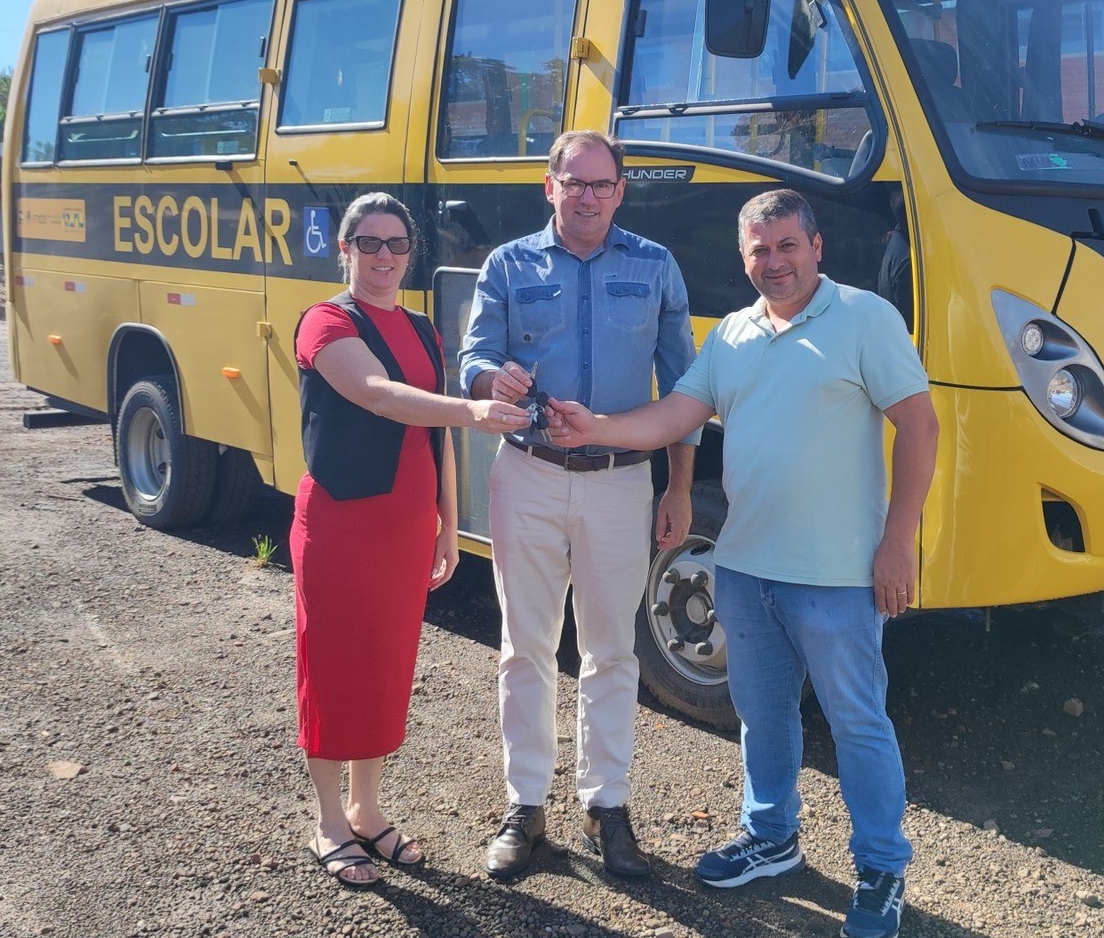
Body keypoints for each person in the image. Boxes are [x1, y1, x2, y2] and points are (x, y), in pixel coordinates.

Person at [547, 188, 938, 938]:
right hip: (746, 568)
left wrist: (898, 542)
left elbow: (919, 428)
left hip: (838, 577)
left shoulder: (864, 318)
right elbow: (678, 416)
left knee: (859, 724)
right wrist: (596, 428)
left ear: (816, 247)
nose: (774, 262)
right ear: (744, 257)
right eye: (759, 250)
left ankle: (882, 867)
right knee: (763, 720)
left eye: (788, 246)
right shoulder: (731, 332)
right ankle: (772, 839)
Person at [459, 130, 699, 880]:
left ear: (621, 190)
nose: (588, 197)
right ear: (549, 186)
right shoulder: (507, 265)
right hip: (527, 474)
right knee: (525, 645)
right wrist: (488, 380)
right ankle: (525, 809)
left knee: (611, 651)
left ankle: (607, 808)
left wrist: (681, 488)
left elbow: (686, 390)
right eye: (575, 183)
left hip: (621, 481)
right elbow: (472, 356)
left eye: (602, 184)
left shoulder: (655, 266)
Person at [291, 192, 531, 889]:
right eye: (369, 243)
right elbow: (378, 395)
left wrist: (447, 522)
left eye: (397, 243)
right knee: (333, 665)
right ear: (346, 249)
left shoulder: (423, 327)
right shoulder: (327, 322)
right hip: (339, 522)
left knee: (385, 665)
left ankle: (367, 809)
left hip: (403, 526)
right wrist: (474, 407)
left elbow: (434, 436)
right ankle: (330, 821)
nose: (385, 256)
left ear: (411, 251)